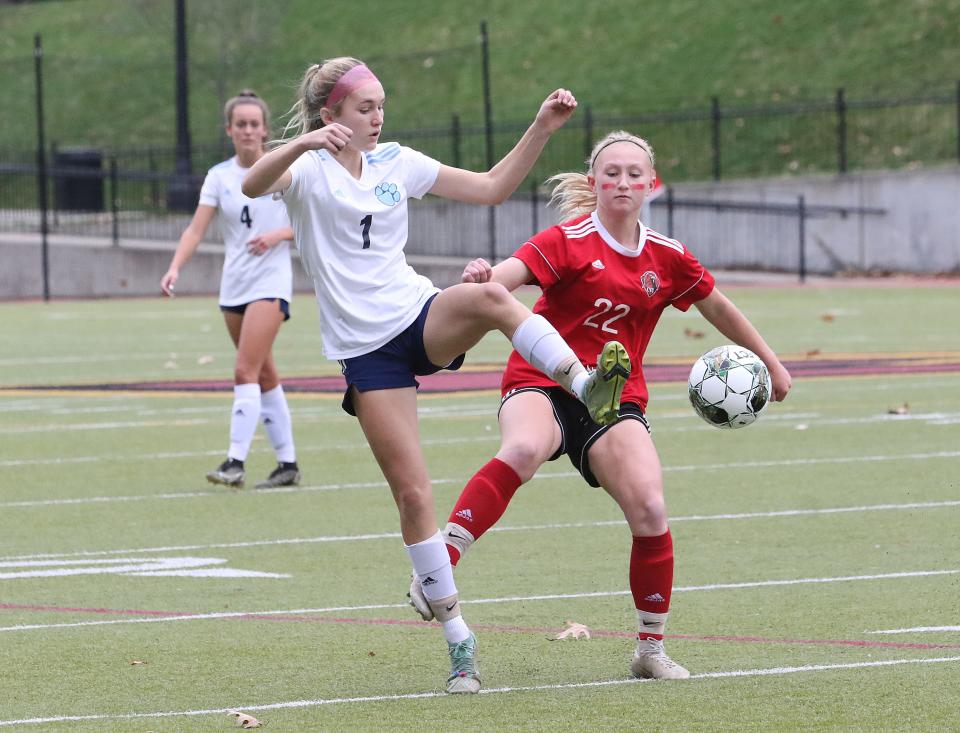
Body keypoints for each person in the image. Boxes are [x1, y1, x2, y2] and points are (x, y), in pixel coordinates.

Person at [242, 57, 631, 694]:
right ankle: (459, 642)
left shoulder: (396, 161)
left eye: (381, 105)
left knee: (489, 299)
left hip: (417, 313)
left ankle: (585, 384)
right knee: (416, 497)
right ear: (331, 113)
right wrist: (304, 141)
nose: (377, 117)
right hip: (368, 354)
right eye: (364, 107)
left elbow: (491, 187)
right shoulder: (305, 168)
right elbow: (253, 186)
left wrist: (541, 126)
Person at [410, 130, 793, 682]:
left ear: (651, 184)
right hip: (543, 380)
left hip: (615, 400)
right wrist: (480, 279)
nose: (623, 182)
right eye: (611, 172)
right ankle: (439, 566)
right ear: (594, 183)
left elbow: (718, 307)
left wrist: (772, 363)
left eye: (635, 173)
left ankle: (650, 650)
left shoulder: (668, 256)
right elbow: (504, 282)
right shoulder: (567, 239)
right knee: (523, 446)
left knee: (651, 510)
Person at [161, 90, 301, 490]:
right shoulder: (219, 176)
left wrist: (278, 235)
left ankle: (234, 463)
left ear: (265, 130)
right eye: (240, 124)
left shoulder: (284, 172)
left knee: (244, 369)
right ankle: (287, 464)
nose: (248, 130)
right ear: (229, 130)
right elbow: (195, 229)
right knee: (264, 372)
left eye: (255, 124)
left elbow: (313, 218)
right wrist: (174, 268)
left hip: (270, 284)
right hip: (234, 286)